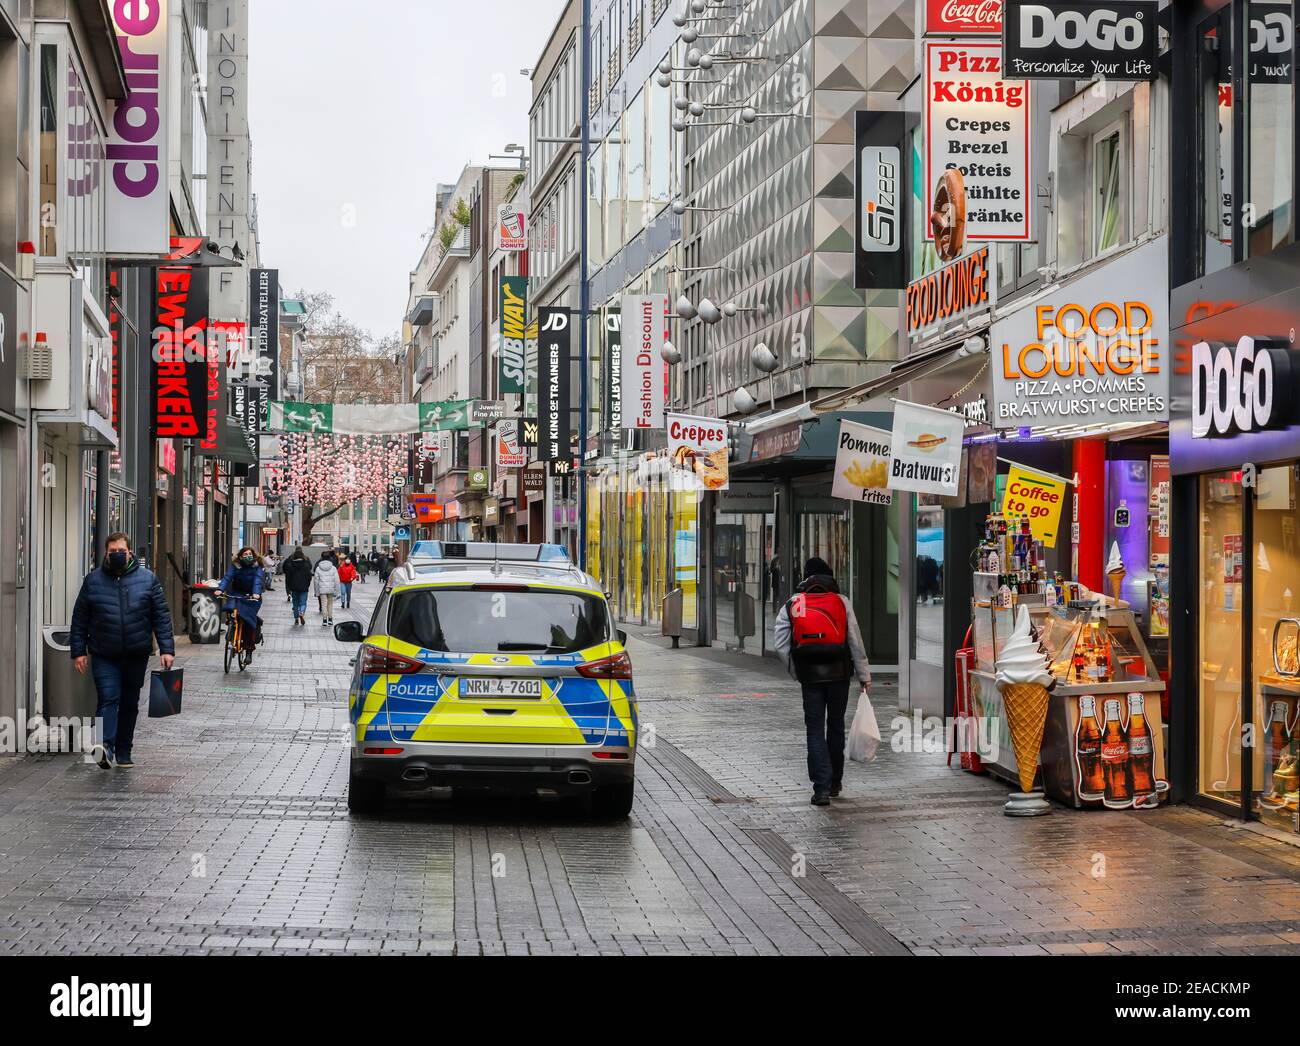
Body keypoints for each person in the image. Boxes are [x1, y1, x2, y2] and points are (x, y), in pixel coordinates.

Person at [69, 532, 176, 770]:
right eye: (112, 551)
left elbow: (161, 616)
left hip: (136, 654)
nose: (117, 555)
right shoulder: (93, 581)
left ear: (130, 553)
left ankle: (124, 750)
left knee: (129, 703)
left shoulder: (148, 579)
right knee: (108, 698)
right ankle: (104, 747)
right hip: (104, 653)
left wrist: (166, 649)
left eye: (121, 551)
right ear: (105, 553)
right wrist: (78, 651)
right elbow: (80, 618)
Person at [773, 557, 872, 806]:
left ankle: (821, 789)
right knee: (836, 725)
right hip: (839, 674)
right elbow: (855, 640)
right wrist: (864, 675)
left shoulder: (793, 603)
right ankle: (836, 781)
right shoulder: (842, 602)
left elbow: (781, 644)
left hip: (810, 676)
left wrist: (797, 672)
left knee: (815, 728)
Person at [214, 547, 265, 657]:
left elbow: (257, 580)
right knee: (230, 609)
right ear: (240, 556)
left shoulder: (257, 566)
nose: (248, 556)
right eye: (245, 554)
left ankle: (249, 651)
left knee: (248, 620)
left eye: (250, 554)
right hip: (237, 593)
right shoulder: (235, 565)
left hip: (251, 596)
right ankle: (232, 628)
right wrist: (220, 589)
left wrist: (256, 593)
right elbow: (227, 578)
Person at [283, 547, 313, 626]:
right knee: (303, 602)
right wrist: (307, 584)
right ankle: (302, 612)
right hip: (304, 588)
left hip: (294, 587)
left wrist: (289, 586)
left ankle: (296, 618)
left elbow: (288, 577)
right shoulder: (306, 564)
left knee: (295, 603)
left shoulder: (290, 565)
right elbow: (309, 576)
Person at [314, 552, 340, 626]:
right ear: (329, 558)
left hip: (322, 589)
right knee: (330, 604)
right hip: (331, 589)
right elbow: (337, 580)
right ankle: (330, 619)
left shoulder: (318, 568)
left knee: (324, 604)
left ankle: (324, 620)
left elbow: (316, 581)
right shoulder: (333, 568)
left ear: (321, 558)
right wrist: (337, 591)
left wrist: (316, 592)